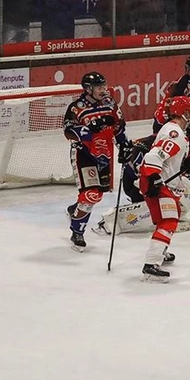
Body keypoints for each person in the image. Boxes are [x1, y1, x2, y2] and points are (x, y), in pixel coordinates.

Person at [138, 96, 190, 282]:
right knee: (168, 221)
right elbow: (154, 156)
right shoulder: (174, 133)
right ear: (184, 113)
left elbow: (169, 161)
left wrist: (187, 165)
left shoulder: (173, 130)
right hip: (157, 181)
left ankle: (160, 251)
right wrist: (152, 178)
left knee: (169, 216)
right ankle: (151, 266)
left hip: (160, 180)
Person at [64, 72, 129, 252]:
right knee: (91, 194)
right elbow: (68, 131)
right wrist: (90, 129)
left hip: (104, 155)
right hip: (83, 154)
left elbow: (119, 127)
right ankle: (77, 231)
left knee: (98, 194)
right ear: (88, 89)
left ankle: (74, 210)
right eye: (99, 87)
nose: (103, 90)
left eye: (104, 86)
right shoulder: (76, 107)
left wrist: (124, 146)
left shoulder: (110, 103)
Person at [153, 55, 190, 205]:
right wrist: (177, 124)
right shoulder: (179, 85)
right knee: (173, 157)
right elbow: (171, 107)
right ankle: (167, 187)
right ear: (187, 70)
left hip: (185, 122)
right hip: (169, 123)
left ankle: (187, 189)